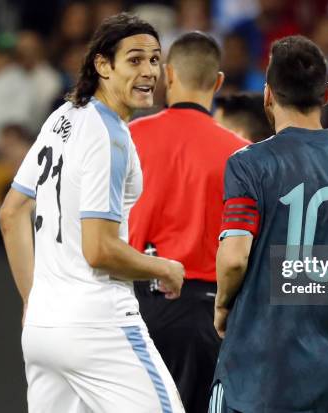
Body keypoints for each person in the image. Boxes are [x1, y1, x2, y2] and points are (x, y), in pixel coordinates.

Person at [0, 14, 185, 413]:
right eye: (135, 60)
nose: (149, 71)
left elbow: (11, 214)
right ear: (103, 65)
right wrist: (164, 268)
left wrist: (35, 300)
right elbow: (98, 249)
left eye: (155, 60)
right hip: (99, 324)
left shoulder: (61, 118)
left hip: (44, 330)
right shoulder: (109, 135)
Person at [211, 35, 328, 413]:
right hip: (323, 385)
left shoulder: (248, 164)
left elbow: (233, 259)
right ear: (326, 95)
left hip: (252, 380)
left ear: (267, 95)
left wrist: (222, 304)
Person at [128, 31, 247, 413]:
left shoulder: (129, 138)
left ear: (168, 75)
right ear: (218, 82)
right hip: (208, 310)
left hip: (136, 305)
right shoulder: (242, 155)